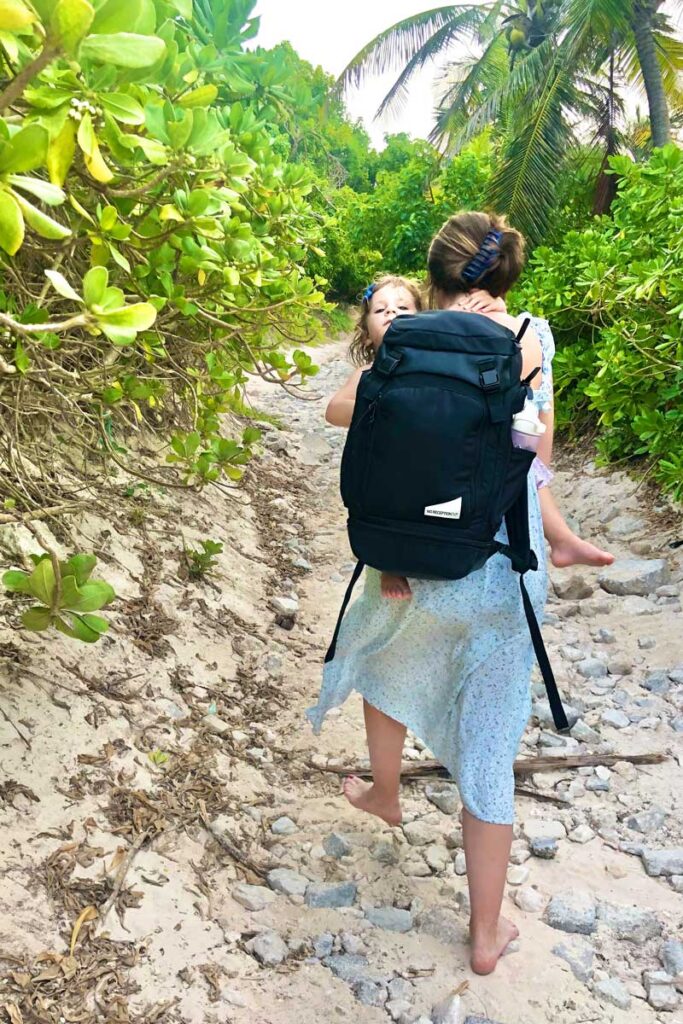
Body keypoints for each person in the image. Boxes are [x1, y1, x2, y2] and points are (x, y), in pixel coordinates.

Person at [306, 212, 614, 977]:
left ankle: (384, 791)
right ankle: (483, 932)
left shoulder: (406, 331)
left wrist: (404, 352)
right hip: (501, 563)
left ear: (434, 271)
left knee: (381, 658)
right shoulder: (529, 336)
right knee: (488, 742)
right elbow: (534, 455)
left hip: (404, 560)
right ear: (506, 275)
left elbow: (339, 410)